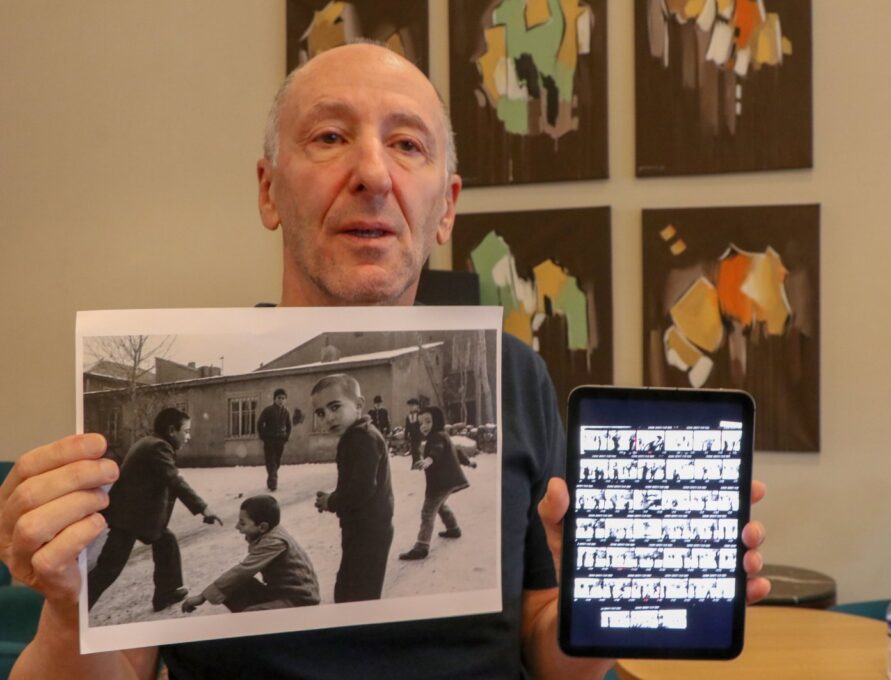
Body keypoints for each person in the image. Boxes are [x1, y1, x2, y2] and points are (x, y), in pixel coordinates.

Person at [0, 43, 768, 679]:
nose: (373, 173)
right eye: (330, 138)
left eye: (407, 145)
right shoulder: (232, 387)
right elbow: (119, 668)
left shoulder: (519, 377)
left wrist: (596, 605)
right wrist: (69, 612)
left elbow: (542, 641)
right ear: (269, 191)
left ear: (447, 207)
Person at [87, 407, 223, 612]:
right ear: (171, 430)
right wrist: (203, 508)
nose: (188, 436)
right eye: (185, 431)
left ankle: (166, 593)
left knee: (165, 541)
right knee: (109, 568)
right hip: (129, 518)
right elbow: (175, 481)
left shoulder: (150, 443)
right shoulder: (159, 447)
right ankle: (76, 607)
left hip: (134, 515)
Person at [311, 374, 393, 603]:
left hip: (369, 531)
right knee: (348, 590)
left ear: (358, 405)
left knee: (357, 597)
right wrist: (334, 498)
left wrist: (332, 501)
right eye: (320, 413)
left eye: (335, 407)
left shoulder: (362, 438)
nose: (328, 417)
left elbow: (361, 490)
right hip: (363, 528)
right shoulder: (356, 435)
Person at [181, 495, 320, 614]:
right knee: (233, 586)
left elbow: (243, 570)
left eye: (242, 523)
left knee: (248, 616)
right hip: (281, 592)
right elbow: (238, 576)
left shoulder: (274, 542)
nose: (237, 527)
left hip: (299, 601)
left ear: (263, 527)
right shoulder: (271, 530)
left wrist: (202, 597)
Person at [399, 406, 471, 561]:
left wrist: (428, 460)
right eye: (421, 423)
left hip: (441, 482)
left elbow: (437, 450)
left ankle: (421, 546)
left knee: (428, 512)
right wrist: (468, 462)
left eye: (428, 421)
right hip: (446, 481)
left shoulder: (436, 437)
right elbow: (456, 451)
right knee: (440, 506)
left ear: (436, 421)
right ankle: (453, 528)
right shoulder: (443, 434)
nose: (423, 426)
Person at [256, 388, 292, 491]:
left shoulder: (286, 412)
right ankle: (273, 483)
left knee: (277, 462)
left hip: (280, 441)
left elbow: (289, 426)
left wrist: (286, 437)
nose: (281, 400)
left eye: (283, 398)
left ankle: (271, 479)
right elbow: (260, 423)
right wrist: (264, 436)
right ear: (274, 399)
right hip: (270, 441)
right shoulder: (268, 410)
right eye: (279, 398)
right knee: (271, 461)